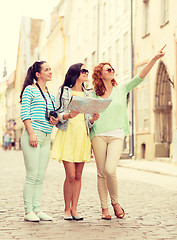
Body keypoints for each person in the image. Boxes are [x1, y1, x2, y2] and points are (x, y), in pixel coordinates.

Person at [90, 45, 166, 220]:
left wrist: (154, 58)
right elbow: (89, 119)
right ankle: (104, 209)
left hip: (116, 134)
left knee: (110, 170)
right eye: (108, 69)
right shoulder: (93, 94)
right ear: (100, 75)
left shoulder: (121, 88)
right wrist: (92, 119)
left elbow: (140, 77)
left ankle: (115, 202)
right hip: (98, 134)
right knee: (101, 173)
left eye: (112, 68)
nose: (112, 70)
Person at [51, 63, 99, 221]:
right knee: (70, 175)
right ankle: (66, 209)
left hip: (82, 135)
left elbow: (88, 120)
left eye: (87, 71)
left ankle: (74, 209)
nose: (87, 73)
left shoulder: (88, 93)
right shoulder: (63, 91)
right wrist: (67, 115)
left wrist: (92, 119)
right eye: (84, 71)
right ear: (75, 73)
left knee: (78, 175)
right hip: (68, 134)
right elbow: (55, 114)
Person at [20, 60, 59, 222]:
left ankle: (37, 210)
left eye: (51, 69)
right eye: (47, 69)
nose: (50, 72)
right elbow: (25, 113)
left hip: (46, 136)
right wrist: (31, 134)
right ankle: (28, 210)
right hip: (33, 134)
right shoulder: (30, 90)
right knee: (32, 175)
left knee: (40, 176)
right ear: (38, 74)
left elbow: (51, 115)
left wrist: (54, 120)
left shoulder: (50, 95)